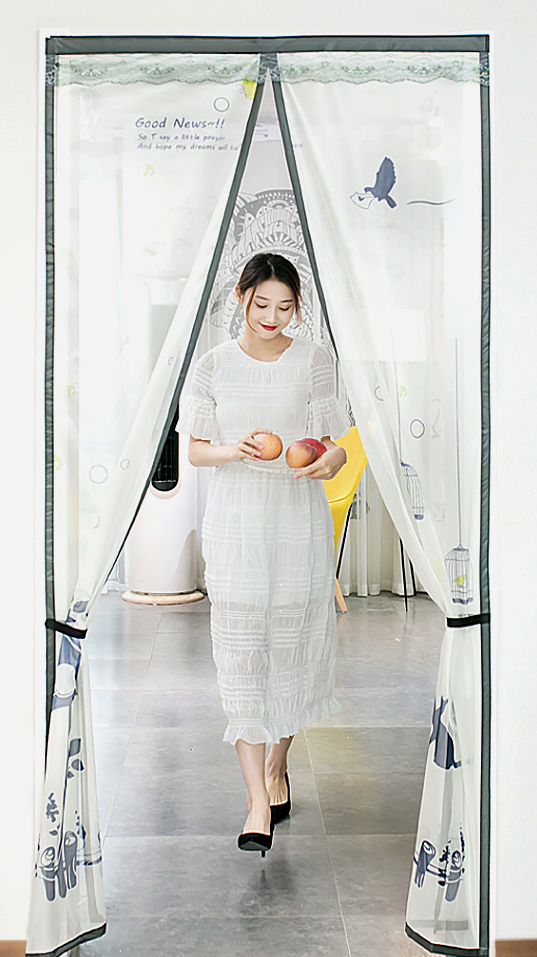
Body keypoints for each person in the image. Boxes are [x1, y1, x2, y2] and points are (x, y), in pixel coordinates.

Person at [178, 252, 349, 856]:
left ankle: (278, 765)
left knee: (291, 646)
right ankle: (256, 801)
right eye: (261, 304)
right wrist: (236, 451)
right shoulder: (213, 366)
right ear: (241, 298)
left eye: (285, 307)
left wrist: (330, 461)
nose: (273, 317)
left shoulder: (314, 360)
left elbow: (331, 447)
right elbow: (196, 451)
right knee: (244, 654)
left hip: (297, 518)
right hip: (237, 522)